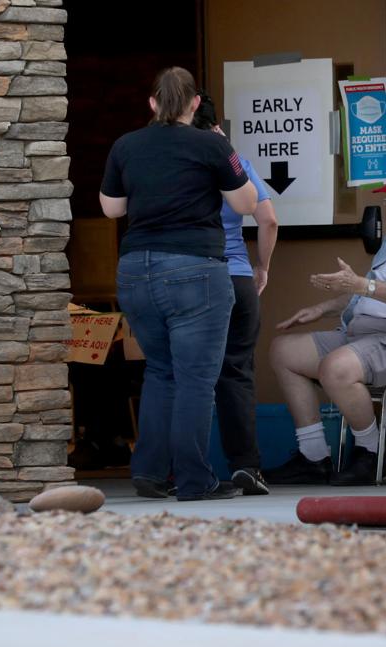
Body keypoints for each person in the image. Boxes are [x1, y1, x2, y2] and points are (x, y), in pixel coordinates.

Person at [99, 67, 258, 501]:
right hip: (195, 270)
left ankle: (149, 473)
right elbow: (246, 203)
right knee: (195, 380)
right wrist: (226, 149)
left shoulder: (125, 145)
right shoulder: (212, 144)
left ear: (152, 103)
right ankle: (194, 481)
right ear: (193, 104)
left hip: (135, 270)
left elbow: (112, 208)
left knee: (161, 372)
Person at [267, 165, 386, 486]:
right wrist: (322, 308)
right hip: (359, 333)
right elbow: (367, 291)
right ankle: (314, 456)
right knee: (283, 351)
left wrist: (360, 286)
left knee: (335, 367)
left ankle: (371, 454)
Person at [191, 93, 279, 496]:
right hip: (238, 277)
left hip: (193, 277)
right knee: (237, 373)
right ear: (217, 124)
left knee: (189, 374)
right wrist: (262, 267)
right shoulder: (236, 162)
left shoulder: (179, 162)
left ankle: (186, 469)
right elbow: (268, 220)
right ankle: (246, 465)